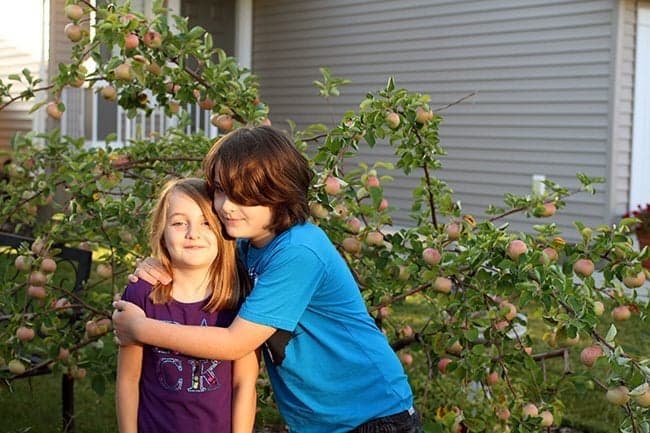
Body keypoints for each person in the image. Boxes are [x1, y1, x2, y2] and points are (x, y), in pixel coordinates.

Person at [113, 126, 422, 433]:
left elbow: (236, 343)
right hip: (323, 422)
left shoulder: (300, 251)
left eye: (243, 196)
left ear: (279, 192)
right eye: (221, 190)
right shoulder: (247, 245)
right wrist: (160, 261)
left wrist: (139, 328)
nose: (227, 206)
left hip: (374, 416)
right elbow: (203, 258)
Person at [115, 177, 258, 433]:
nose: (193, 234)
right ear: (162, 232)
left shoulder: (238, 296)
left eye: (206, 222)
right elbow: (128, 379)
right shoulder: (142, 292)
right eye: (179, 223)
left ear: (224, 230)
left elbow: (244, 384)